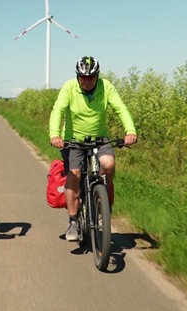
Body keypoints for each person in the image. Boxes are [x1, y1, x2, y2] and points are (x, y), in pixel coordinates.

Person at [49, 56, 137, 241]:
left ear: (97, 76)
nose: (86, 81)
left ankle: (103, 195)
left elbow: (120, 108)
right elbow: (58, 110)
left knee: (108, 164)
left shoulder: (106, 87)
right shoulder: (69, 87)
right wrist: (54, 135)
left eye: (90, 78)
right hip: (73, 140)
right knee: (74, 174)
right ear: (77, 77)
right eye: (83, 78)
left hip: (99, 138)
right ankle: (73, 222)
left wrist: (130, 131)